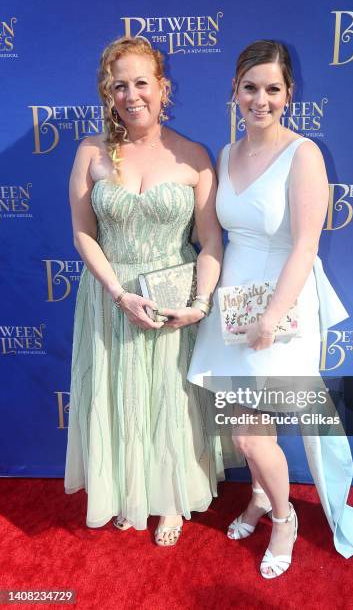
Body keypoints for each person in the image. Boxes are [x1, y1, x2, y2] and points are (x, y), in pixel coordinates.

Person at [188, 40, 353, 578]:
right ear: (234, 91)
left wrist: (272, 316)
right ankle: (257, 496)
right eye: (250, 88)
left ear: (289, 94)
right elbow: (220, 239)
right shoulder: (225, 155)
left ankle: (284, 518)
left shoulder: (304, 154)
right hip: (235, 304)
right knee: (243, 426)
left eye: (272, 89)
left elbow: (304, 246)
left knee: (250, 433)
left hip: (284, 306)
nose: (260, 99)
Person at [64, 36, 223, 546]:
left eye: (141, 83)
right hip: (110, 297)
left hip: (171, 298)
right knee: (116, 393)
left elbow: (211, 240)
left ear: (163, 88)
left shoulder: (194, 156)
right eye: (119, 86)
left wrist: (198, 305)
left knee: (169, 398)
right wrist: (116, 292)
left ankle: (172, 497)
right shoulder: (90, 151)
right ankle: (126, 488)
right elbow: (83, 233)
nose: (132, 95)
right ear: (107, 94)